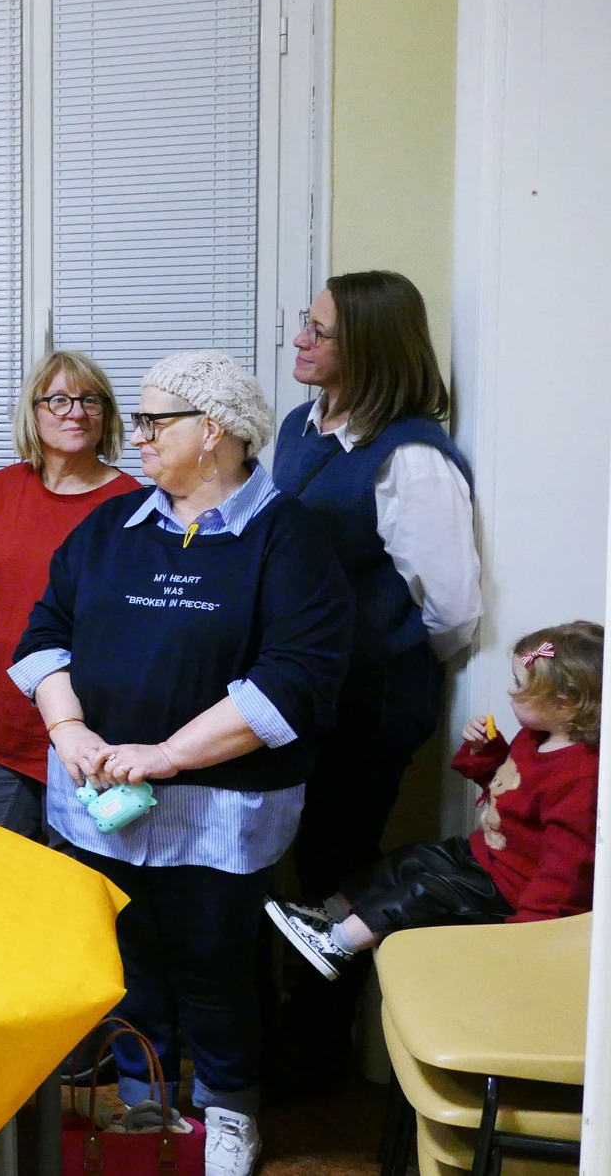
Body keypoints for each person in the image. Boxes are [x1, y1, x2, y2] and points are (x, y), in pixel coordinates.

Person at [10, 350, 354, 1176]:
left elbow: (294, 680)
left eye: (153, 420)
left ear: (214, 430)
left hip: (218, 810)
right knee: (128, 960)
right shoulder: (111, 528)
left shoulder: (289, 536)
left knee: (215, 962)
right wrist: (68, 728)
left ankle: (229, 1107)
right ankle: (146, 1097)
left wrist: (166, 755)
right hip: (101, 797)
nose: (136, 435)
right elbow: (45, 632)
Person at [271, 270, 480, 1085]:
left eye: (320, 331)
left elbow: (451, 608)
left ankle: (317, 1056)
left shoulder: (413, 457)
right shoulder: (300, 427)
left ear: (370, 349)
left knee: (336, 868)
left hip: (369, 703)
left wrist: (381, 656)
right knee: (290, 865)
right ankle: (287, 1031)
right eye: (307, 321)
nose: (301, 339)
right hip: (301, 689)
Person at [268, 622, 601, 980]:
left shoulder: (581, 779)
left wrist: (527, 933)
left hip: (512, 890)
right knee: (412, 858)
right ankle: (329, 913)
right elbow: (510, 789)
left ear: (564, 705)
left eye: (520, 686)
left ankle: (338, 943)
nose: (511, 691)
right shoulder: (536, 737)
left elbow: (566, 871)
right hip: (486, 857)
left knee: (427, 891)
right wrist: (484, 750)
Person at [0, 351, 140, 838]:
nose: (76, 412)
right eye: (59, 400)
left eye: (90, 401)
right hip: (3, 727)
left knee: (74, 876)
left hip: (89, 734)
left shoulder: (132, 504)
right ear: (34, 412)